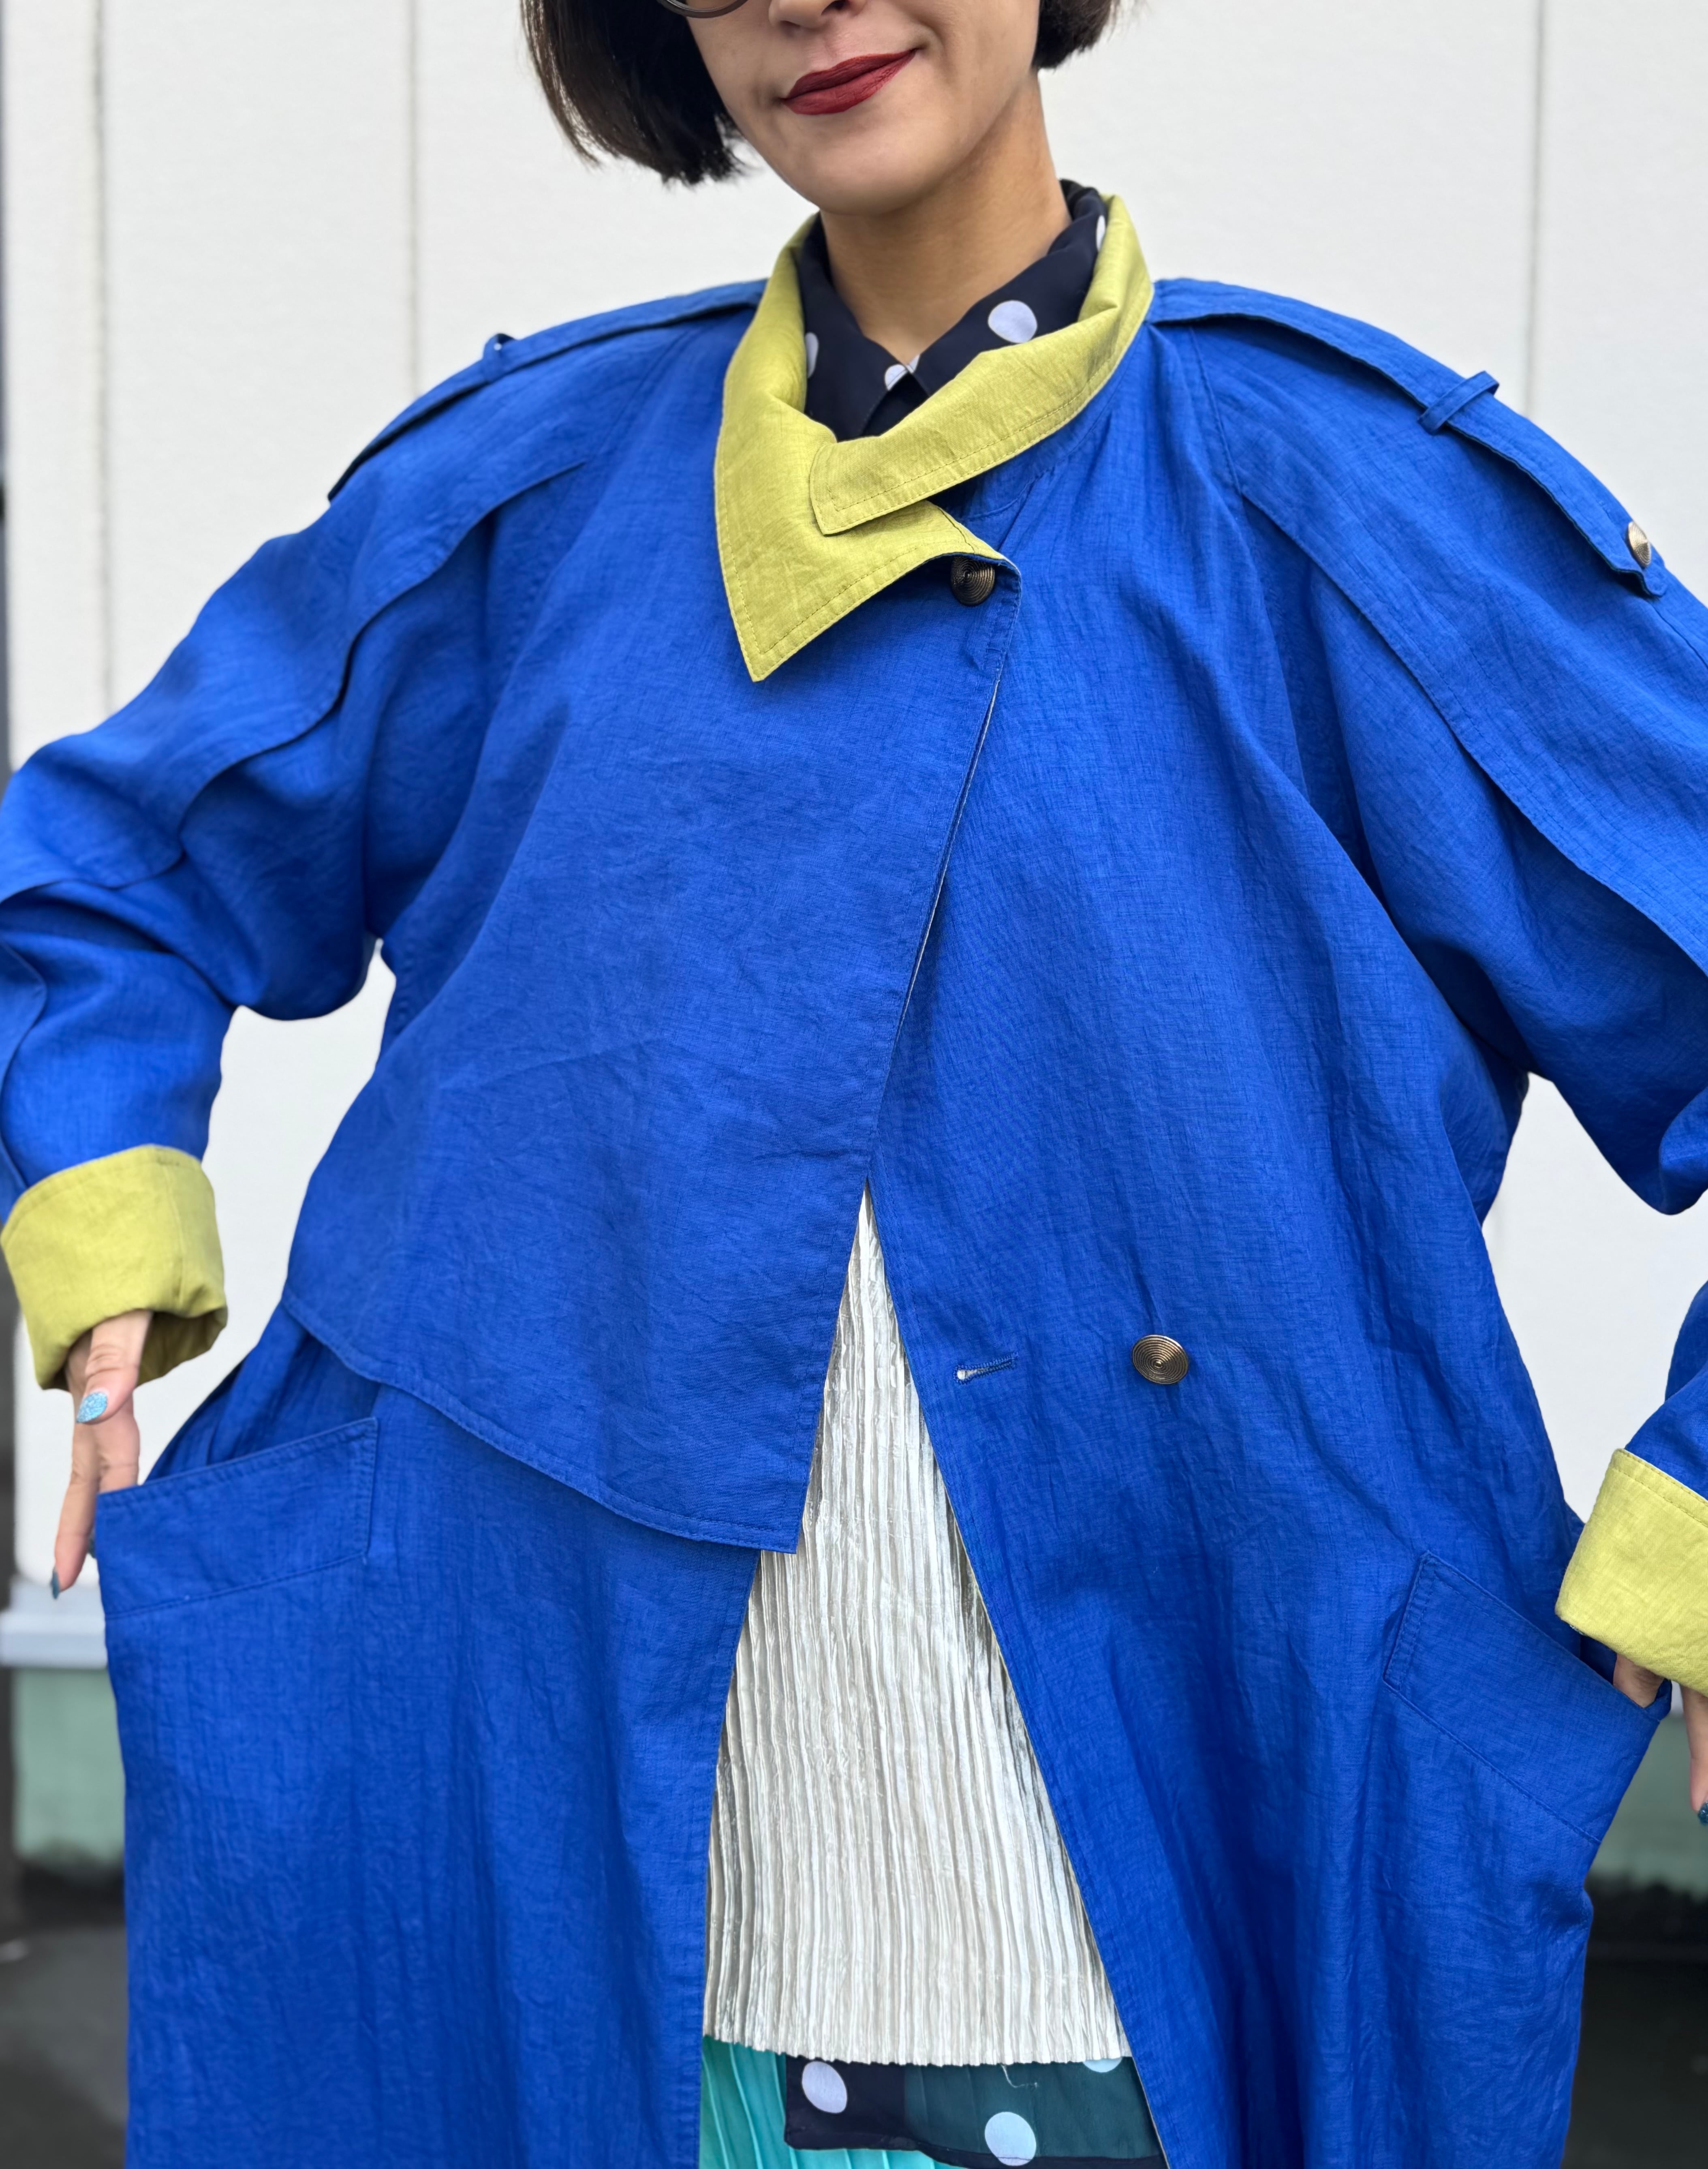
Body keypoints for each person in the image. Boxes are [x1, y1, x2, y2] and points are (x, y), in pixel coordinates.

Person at [1, 0, 1704, 2163]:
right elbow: (116, 860)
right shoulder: (527, 500)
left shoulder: (1341, 502)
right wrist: (108, 1213)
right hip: (574, 1824)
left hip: (1173, 1832)